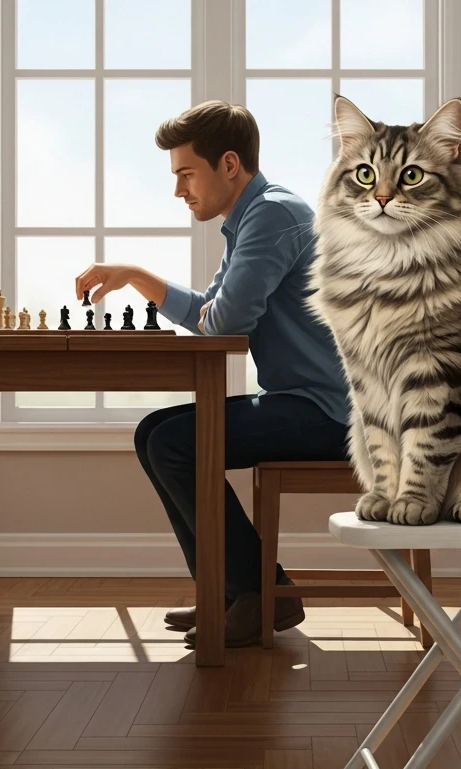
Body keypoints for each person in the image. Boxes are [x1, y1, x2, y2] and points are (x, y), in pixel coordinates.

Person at [74, 100, 351, 648]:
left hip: (331, 411)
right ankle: (233, 592)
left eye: (185, 174)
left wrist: (213, 311)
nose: (179, 191)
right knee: (156, 432)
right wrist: (134, 275)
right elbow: (211, 311)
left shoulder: (275, 215)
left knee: (175, 441)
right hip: (302, 402)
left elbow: (224, 322)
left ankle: (257, 594)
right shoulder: (252, 218)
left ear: (228, 165)